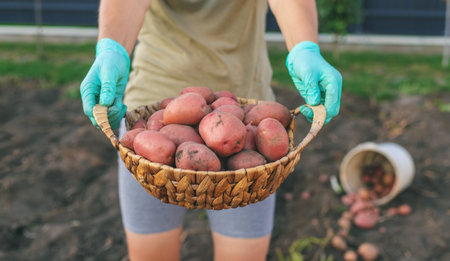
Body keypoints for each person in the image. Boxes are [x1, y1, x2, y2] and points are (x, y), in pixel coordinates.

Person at [80, 0, 342, 260]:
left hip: (248, 118)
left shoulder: (251, 133)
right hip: (153, 114)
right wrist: (111, 48)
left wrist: (304, 47)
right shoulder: (146, 132)